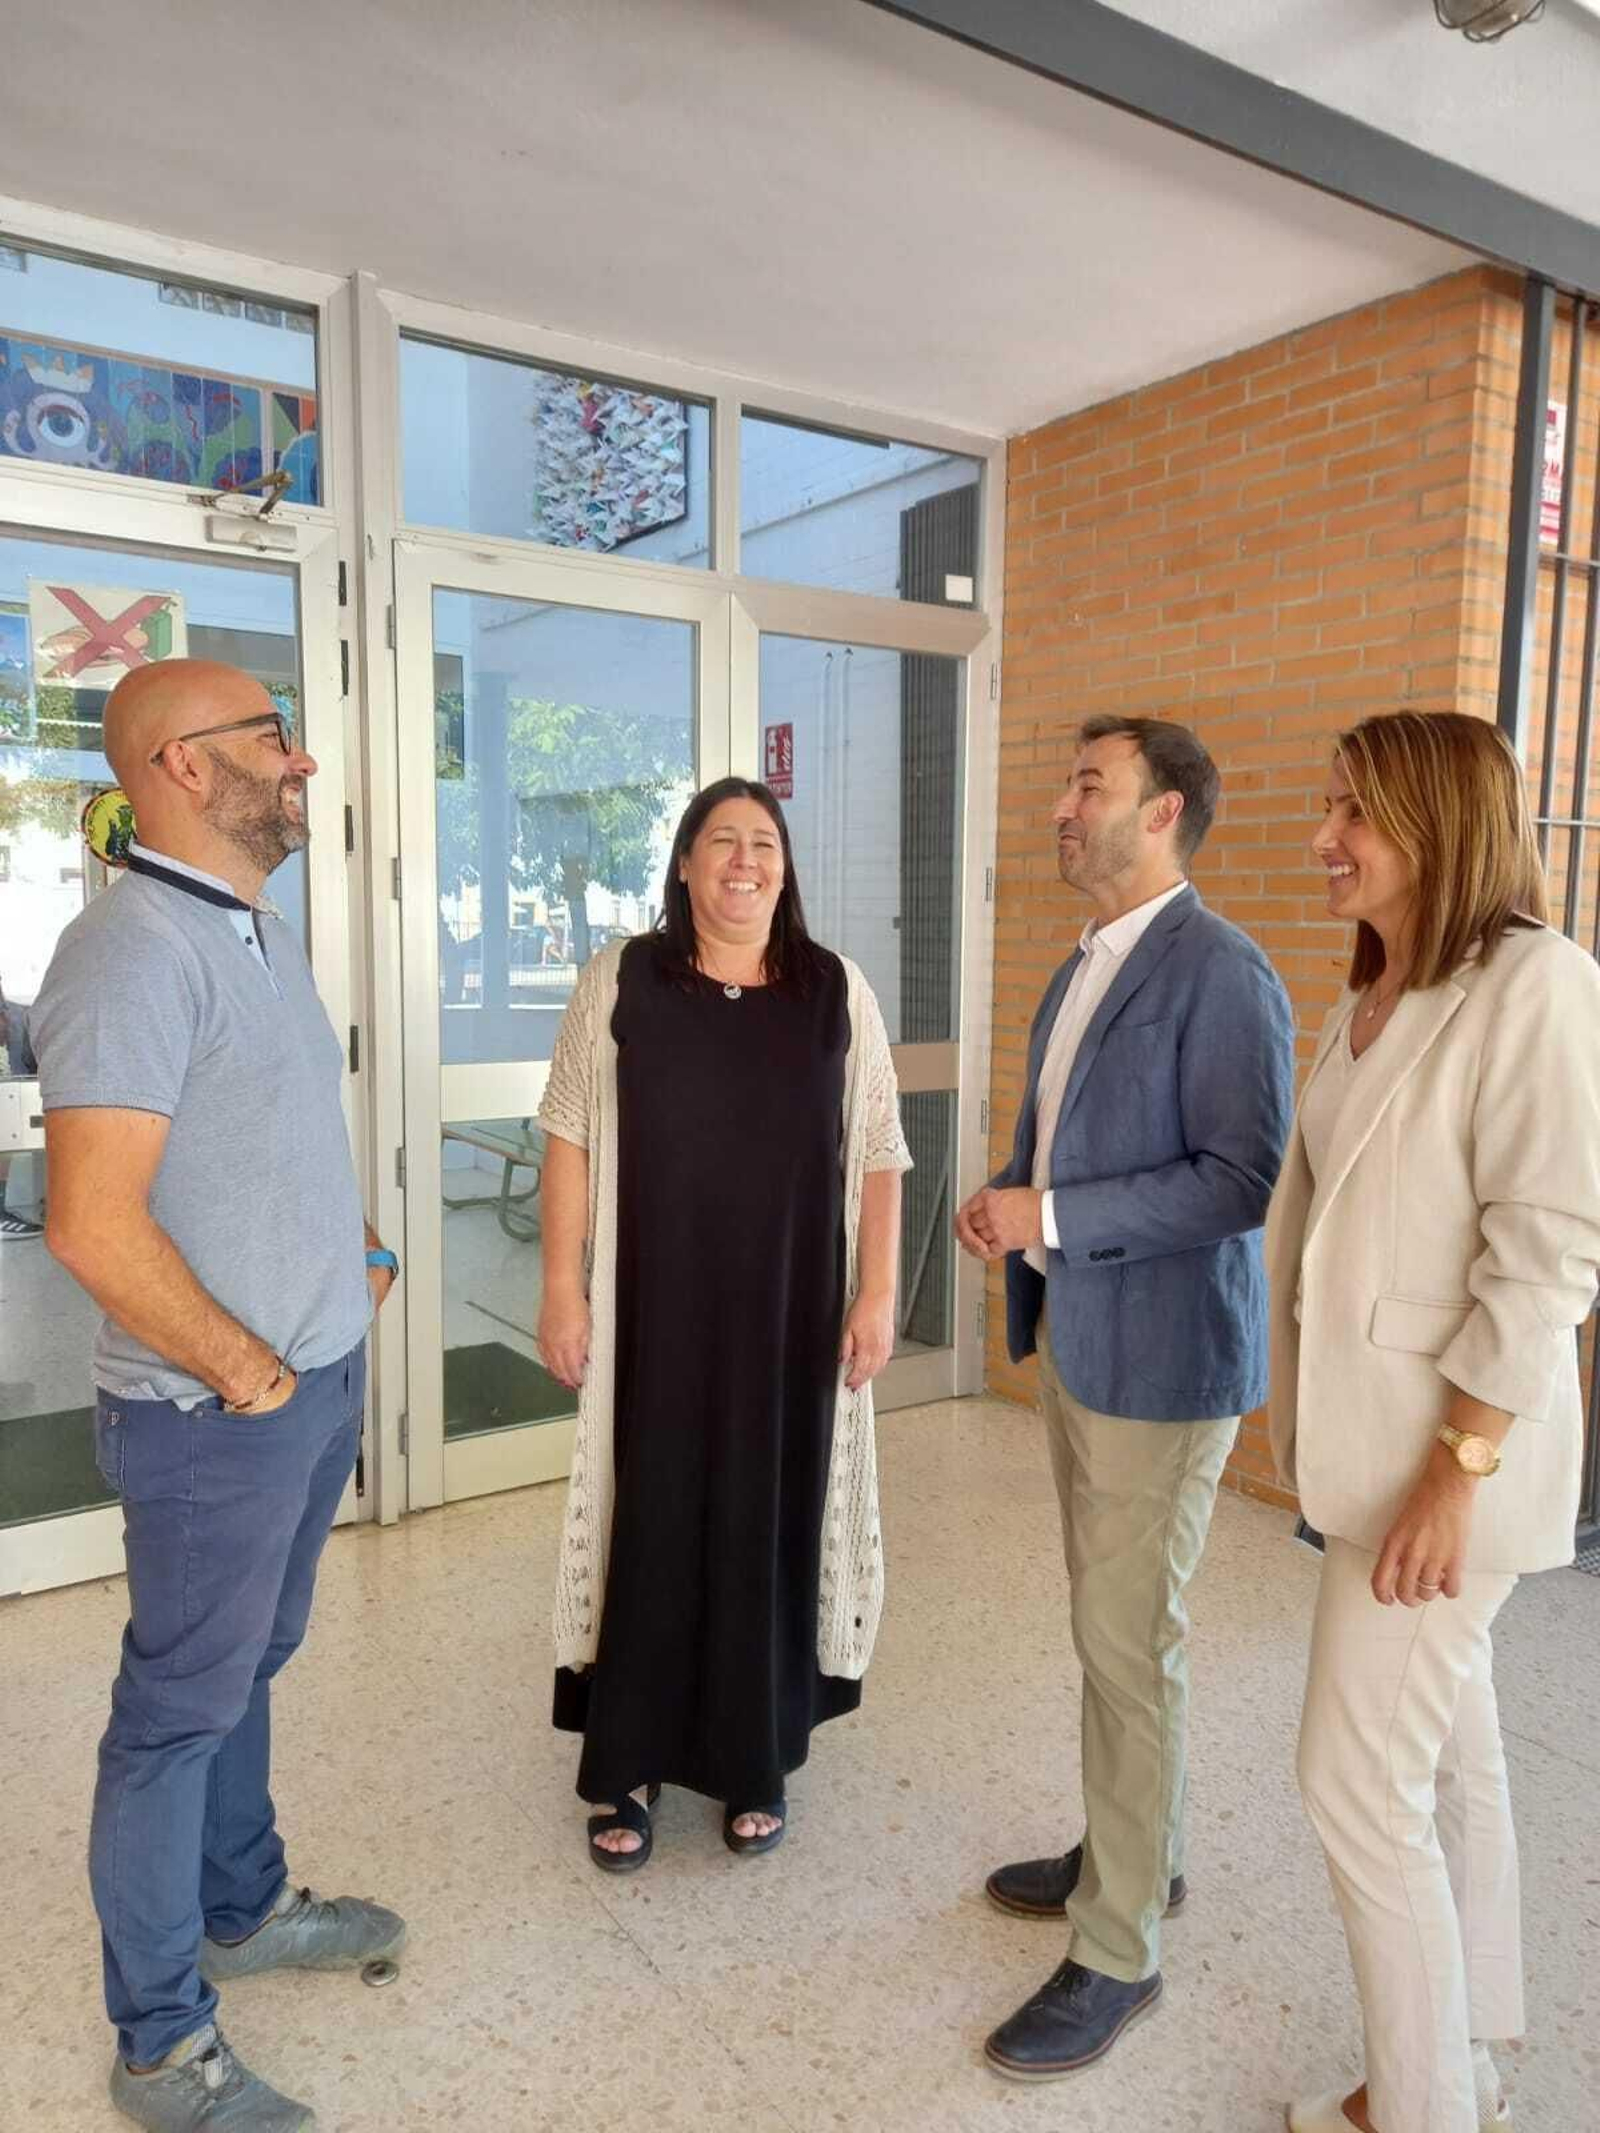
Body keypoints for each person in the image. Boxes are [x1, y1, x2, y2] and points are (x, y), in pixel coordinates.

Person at [31, 658, 405, 2133]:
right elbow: (91, 1221)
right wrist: (242, 1362)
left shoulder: (254, 931)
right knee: (174, 1716)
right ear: (183, 765)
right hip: (211, 1423)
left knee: (243, 1671)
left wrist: (356, 1256)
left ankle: (239, 1913)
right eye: (271, 735)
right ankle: (159, 2045)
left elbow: (270, 1137)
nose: (299, 760)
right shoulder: (128, 951)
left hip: (304, 1396)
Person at [1266, 711, 1600, 2133]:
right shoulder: (1373, 996)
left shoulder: (1537, 984)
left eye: (1357, 812)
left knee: (1353, 1781)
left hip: (1440, 1475)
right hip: (1369, 1462)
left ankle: (1418, 2112)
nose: (1326, 837)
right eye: (1329, 803)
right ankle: (1465, 2061)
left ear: (1442, 823)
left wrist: (1457, 1469)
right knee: (1448, 1754)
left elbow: (1547, 1251)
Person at [955, 714, 1295, 2081]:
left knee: (1127, 1642)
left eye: (1088, 784)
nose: (1061, 805)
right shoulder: (1087, 964)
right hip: (1085, 1345)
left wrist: (1058, 1209)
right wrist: (1022, 1218)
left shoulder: (1224, 971)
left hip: (1164, 1365)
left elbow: (1239, 1179)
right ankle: (1133, 1854)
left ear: (1163, 813)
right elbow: (1070, 1143)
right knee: (1113, 1635)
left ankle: (1118, 1950)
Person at [536, 776, 910, 1868]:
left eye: (764, 843)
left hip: (792, 1314)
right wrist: (563, 1287)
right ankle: (630, 1766)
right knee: (649, 1520)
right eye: (721, 842)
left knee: (767, 1522)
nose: (744, 861)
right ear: (687, 866)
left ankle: (755, 1759)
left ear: (783, 870)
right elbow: (568, 1134)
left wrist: (878, 1295)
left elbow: (881, 1149)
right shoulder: (623, 978)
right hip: (652, 1310)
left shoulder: (835, 989)